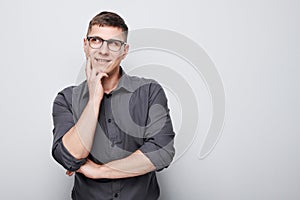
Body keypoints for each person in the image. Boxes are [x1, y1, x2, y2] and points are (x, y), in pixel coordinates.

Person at [51, 11, 175, 200]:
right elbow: (70, 157)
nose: (103, 50)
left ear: (124, 51)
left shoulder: (149, 91)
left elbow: (162, 151)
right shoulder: (66, 99)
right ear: (86, 45)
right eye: (96, 40)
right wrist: (94, 99)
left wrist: (99, 171)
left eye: (114, 43)